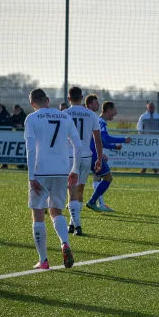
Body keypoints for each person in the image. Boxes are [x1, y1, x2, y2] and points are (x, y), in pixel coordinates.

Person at [24, 88, 81, 270]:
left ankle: (44, 260)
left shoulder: (31, 118)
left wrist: (31, 176)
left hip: (41, 171)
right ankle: (64, 243)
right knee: (56, 211)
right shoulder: (65, 117)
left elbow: (31, 150)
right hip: (62, 170)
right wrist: (75, 169)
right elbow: (78, 146)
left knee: (38, 214)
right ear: (48, 100)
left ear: (33, 104)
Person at [63, 87, 104, 235]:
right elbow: (97, 139)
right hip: (86, 156)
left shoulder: (64, 114)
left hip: (69, 156)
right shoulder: (91, 114)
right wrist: (99, 158)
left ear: (69, 99)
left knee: (71, 191)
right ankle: (72, 223)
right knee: (79, 189)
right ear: (82, 97)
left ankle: (77, 225)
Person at [86, 100, 131, 212]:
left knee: (90, 178)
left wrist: (114, 147)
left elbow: (103, 141)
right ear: (109, 110)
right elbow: (105, 139)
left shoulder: (98, 121)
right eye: (114, 110)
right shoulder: (101, 122)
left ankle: (82, 202)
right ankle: (92, 201)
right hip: (94, 154)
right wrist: (123, 140)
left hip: (90, 153)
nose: (116, 113)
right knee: (108, 178)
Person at [137, 102, 159, 174]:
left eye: (152, 107)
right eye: (150, 107)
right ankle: (144, 168)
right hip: (145, 140)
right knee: (146, 154)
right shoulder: (143, 116)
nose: (151, 108)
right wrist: (143, 136)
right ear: (147, 108)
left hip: (155, 139)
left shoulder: (158, 116)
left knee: (154, 154)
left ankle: (155, 169)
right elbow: (139, 127)